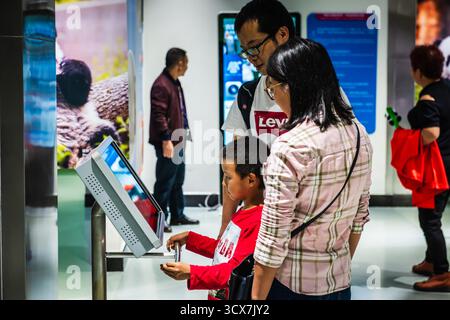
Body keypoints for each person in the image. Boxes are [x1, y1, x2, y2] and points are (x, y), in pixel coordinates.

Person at [250, 38, 373, 300]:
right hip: (340, 284)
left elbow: (272, 242)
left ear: (293, 86)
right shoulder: (360, 135)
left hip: (290, 287)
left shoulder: (289, 147)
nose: (274, 97)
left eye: (273, 88)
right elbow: (358, 219)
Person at [219, 0, 351, 238]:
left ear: (282, 34)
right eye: (245, 50)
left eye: (255, 46)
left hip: (314, 226)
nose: (250, 57)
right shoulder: (248, 96)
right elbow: (236, 169)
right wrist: (225, 229)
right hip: (264, 224)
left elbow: (345, 167)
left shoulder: (328, 95)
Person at [160, 136, 269, 300]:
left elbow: (233, 271)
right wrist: (191, 239)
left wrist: (191, 271)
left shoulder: (257, 221)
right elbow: (226, 250)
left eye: (228, 176)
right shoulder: (243, 211)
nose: (224, 183)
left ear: (251, 180)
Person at [407, 45, 450, 292]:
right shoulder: (446, 89)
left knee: (430, 221)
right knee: (436, 214)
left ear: (419, 71)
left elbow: (431, 133)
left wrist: (412, 139)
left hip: (438, 168)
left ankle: (442, 273)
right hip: (448, 165)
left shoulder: (428, 97)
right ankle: (431, 261)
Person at [149, 48, 197, 233]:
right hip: (169, 141)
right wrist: (166, 139)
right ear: (179, 64)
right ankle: (159, 221)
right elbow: (158, 115)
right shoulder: (161, 85)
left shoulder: (173, 82)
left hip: (178, 138)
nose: (187, 66)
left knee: (177, 179)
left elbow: (180, 110)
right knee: (165, 181)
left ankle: (177, 215)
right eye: (186, 62)